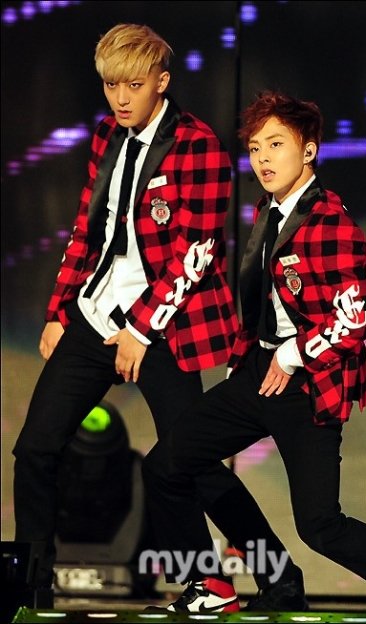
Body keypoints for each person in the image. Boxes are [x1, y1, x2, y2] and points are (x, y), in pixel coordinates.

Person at [12, 27, 306, 609]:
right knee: (36, 450)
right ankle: (30, 587)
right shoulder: (106, 135)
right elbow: (87, 229)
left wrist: (141, 330)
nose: (121, 98)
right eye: (110, 85)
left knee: (187, 459)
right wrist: (58, 310)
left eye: (133, 85)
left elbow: (197, 253)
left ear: (161, 83)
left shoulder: (198, 147)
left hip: (167, 325)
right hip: (96, 314)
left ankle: (270, 576)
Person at [143, 90, 366, 613]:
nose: (263, 159)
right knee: (167, 463)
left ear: (309, 150)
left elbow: (356, 319)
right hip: (258, 370)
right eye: (255, 148)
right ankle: (222, 583)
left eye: (276, 144)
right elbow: (262, 301)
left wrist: (294, 353)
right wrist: (247, 358)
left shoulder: (331, 223)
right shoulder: (267, 211)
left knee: (320, 525)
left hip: (307, 385)